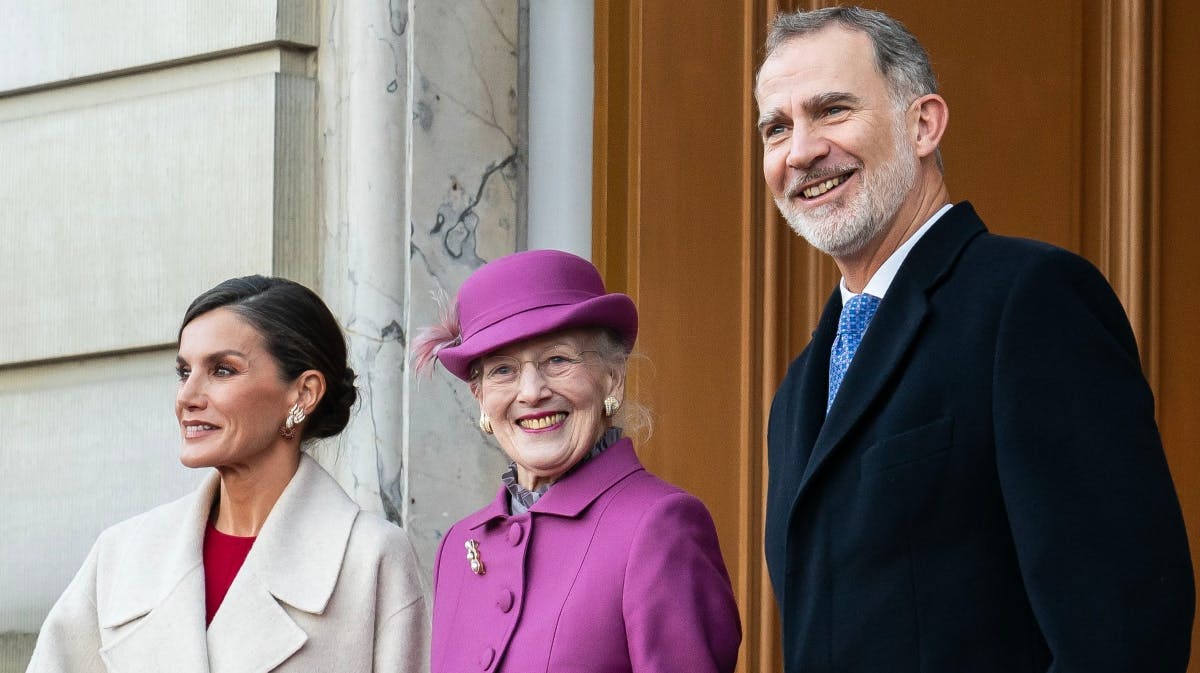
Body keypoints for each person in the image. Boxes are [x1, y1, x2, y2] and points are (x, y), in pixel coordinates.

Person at [756, 6, 1193, 672]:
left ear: (923, 123)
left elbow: (1123, 630)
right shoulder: (797, 393)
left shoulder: (1031, 302)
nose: (801, 149)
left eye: (833, 110)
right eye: (776, 127)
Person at [27, 276, 430, 672]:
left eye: (222, 370)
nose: (187, 397)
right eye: (184, 372)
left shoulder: (371, 560)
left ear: (303, 393)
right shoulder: (122, 554)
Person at [412, 249, 741, 673]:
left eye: (558, 360)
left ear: (612, 377)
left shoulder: (660, 527)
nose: (531, 392)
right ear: (480, 398)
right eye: (502, 370)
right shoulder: (458, 545)